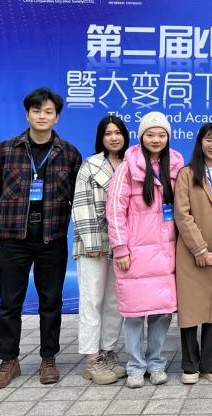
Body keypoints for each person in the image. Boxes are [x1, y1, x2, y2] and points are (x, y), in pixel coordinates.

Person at [0, 88, 82, 389]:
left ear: (57, 117)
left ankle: (48, 358)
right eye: (36, 110)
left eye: (48, 111)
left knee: (51, 302)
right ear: (27, 114)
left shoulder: (69, 153)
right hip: (13, 238)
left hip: (52, 237)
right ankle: (8, 360)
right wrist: (9, 216)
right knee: (9, 303)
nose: (42, 116)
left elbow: (78, 195)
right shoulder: (4, 150)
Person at [107, 112, 184, 388]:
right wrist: (120, 248)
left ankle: (156, 363)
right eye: (150, 134)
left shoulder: (176, 167)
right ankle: (136, 366)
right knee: (135, 312)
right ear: (141, 137)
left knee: (162, 312)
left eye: (161, 135)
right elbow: (114, 210)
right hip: (135, 253)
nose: (156, 139)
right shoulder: (127, 168)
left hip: (167, 253)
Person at [174, 123, 212, 384]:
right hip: (191, 253)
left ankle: (211, 364)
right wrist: (199, 249)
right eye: (209, 140)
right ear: (200, 142)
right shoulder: (187, 174)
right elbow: (182, 214)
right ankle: (190, 364)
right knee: (190, 309)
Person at [72, 115, 130, 385]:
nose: (114, 138)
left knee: (114, 301)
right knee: (92, 300)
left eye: (118, 133)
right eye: (108, 133)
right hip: (94, 245)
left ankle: (107, 352)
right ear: (101, 138)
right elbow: (81, 205)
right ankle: (92, 359)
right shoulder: (90, 165)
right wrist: (93, 242)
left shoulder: (132, 164)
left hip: (122, 245)